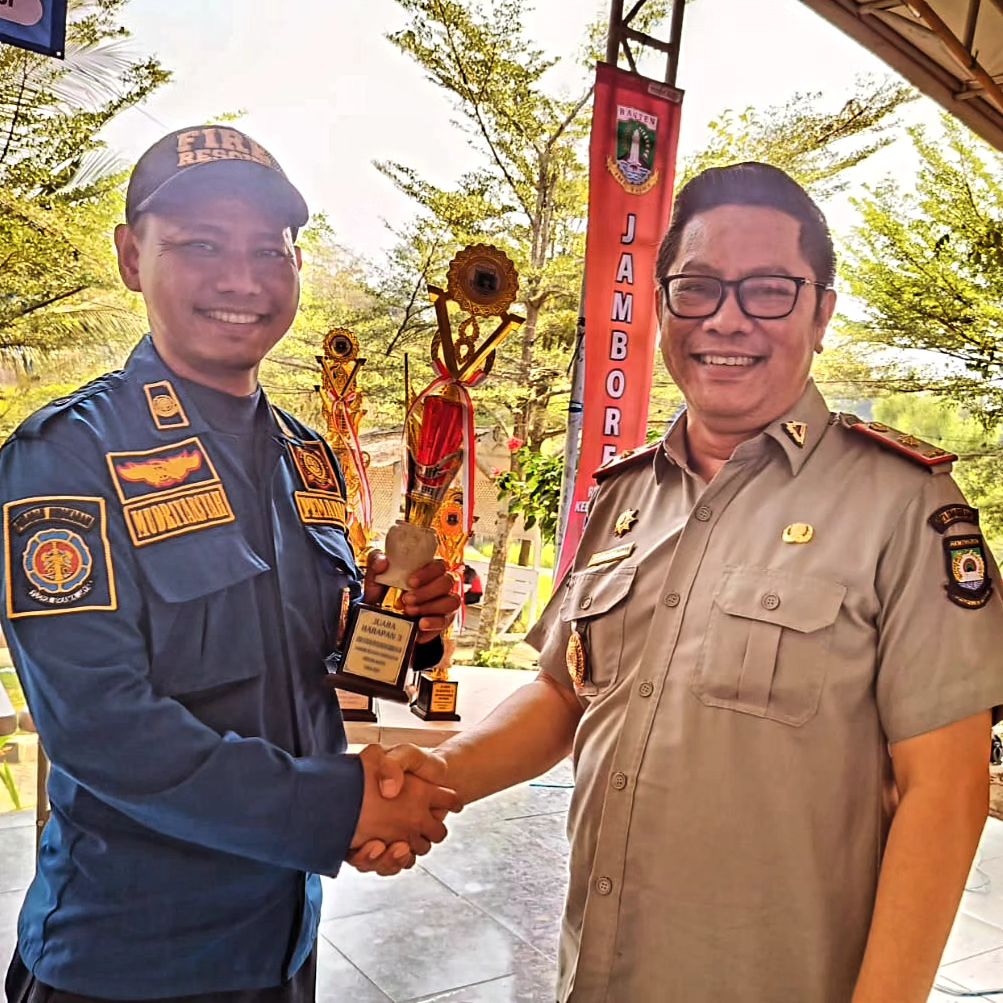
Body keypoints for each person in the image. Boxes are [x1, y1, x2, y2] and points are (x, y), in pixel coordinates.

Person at [353, 163, 1003, 1002]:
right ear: (662, 308)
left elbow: (943, 791)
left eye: (768, 289)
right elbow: (563, 692)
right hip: (600, 971)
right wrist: (434, 776)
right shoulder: (624, 496)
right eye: (696, 288)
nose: (726, 318)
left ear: (821, 313)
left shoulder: (901, 505)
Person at [0, 125, 461, 1003]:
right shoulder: (67, 455)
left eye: (267, 250)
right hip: (126, 958)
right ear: (132, 257)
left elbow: (315, 661)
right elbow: (100, 725)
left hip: (280, 941)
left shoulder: (306, 456)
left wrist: (403, 625)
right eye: (200, 245)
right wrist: (341, 806)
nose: (241, 280)